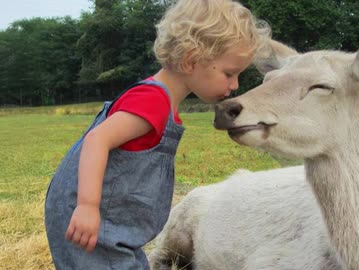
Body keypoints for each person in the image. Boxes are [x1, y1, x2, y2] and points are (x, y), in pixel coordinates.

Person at [44, 0, 270, 268]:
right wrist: (88, 206)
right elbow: (97, 140)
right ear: (190, 60)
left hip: (112, 227)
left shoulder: (157, 99)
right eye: (229, 73)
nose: (235, 85)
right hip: (97, 227)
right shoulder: (153, 102)